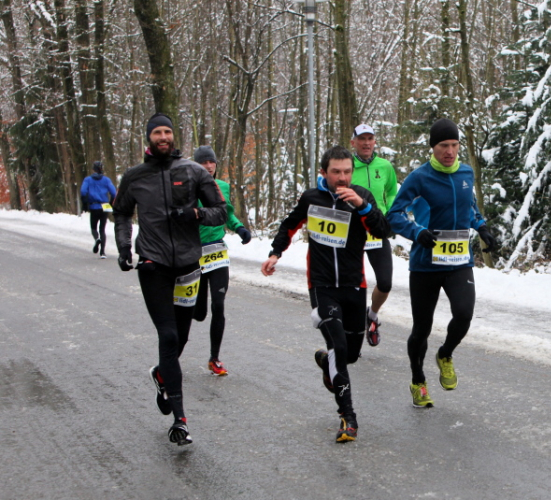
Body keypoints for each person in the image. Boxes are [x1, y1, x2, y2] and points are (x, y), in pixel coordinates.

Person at [260, 145, 390, 443]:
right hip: (321, 286)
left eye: (347, 172)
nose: (342, 178)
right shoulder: (311, 198)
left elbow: (383, 231)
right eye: (336, 172)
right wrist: (275, 253)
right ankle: (348, 418)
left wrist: (363, 206)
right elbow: (289, 226)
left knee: (351, 355)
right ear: (323, 172)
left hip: (354, 286)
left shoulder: (361, 197)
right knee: (339, 349)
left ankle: (325, 362)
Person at [113, 113, 227, 446]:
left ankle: (162, 374)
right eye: (157, 133)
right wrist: (124, 247)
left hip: (189, 264)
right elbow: (121, 212)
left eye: (167, 132)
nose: (163, 137)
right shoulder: (134, 176)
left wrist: (195, 214)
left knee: (181, 338)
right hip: (153, 263)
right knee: (167, 335)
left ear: (173, 136)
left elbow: (221, 211)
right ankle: (180, 420)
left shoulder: (193, 171)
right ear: (148, 137)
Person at [386, 118, 497, 409]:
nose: (449, 151)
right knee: (421, 328)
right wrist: (416, 232)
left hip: (459, 261)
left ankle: (445, 354)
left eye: (454, 145)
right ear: (433, 147)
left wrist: (482, 227)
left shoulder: (466, 173)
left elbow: (469, 207)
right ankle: (418, 381)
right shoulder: (419, 178)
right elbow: (394, 215)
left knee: (464, 314)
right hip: (426, 264)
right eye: (443, 145)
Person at [192, 145, 252, 376]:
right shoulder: (189, 187)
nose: (208, 166)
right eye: (203, 163)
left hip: (217, 251)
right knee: (198, 313)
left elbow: (227, 213)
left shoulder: (222, 187)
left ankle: (214, 358)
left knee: (218, 305)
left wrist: (239, 227)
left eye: (212, 162)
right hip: (195, 253)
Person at [350, 124, 397, 347]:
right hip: (352, 233)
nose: (366, 143)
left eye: (370, 138)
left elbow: (392, 192)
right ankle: (351, 333)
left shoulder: (385, 166)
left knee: (385, 283)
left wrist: (389, 216)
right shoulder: (348, 167)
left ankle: (372, 315)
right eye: (362, 139)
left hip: (377, 231)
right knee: (353, 285)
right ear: (354, 143)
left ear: (375, 141)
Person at [80, 161, 116, 258]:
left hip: (94, 205)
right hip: (105, 206)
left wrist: (85, 203)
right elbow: (114, 193)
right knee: (102, 229)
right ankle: (102, 252)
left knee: (93, 227)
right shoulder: (106, 180)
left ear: (93, 169)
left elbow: (83, 192)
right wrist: (110, 203)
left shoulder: (88, 180)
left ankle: (96, 239)